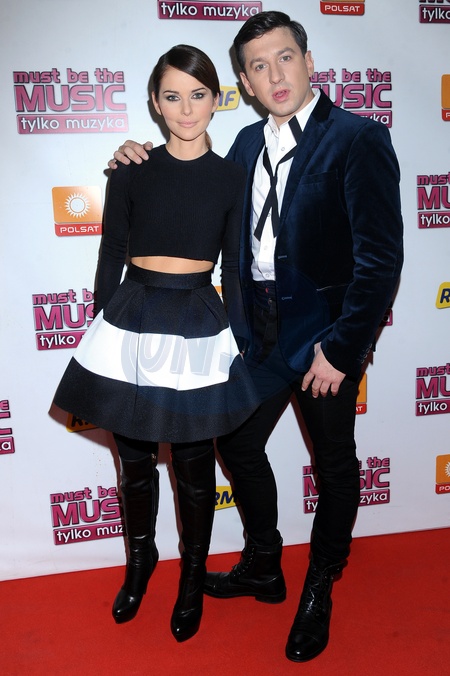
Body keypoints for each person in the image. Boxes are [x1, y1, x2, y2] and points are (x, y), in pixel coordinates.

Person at [108, 11, 404, 662]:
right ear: (243, 82)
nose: (275, 74)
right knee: (238, 444)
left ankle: (320, 584)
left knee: (334, 465)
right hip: (258, 335)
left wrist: (343, 349)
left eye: (285, 57)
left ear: (309, 60)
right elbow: (190, 182)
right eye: (259, 66)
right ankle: (265, 565)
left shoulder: (358, 138)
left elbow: (381, 261)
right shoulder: (243, 145)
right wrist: (135, 157)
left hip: (325, 338)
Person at [53, 44, 260, 643]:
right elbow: (111, 253)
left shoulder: (232, 177)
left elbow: (236, 267)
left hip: (197, 321)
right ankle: (139, 564)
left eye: (198, 95)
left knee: (195, 467)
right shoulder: (130, 170)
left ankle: (192, 578)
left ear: (216, 99)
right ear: (155, 102)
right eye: (173, 96)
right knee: (135, 462)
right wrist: (102, 326)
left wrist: (240, 339)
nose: (186, 109)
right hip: (133, 317)